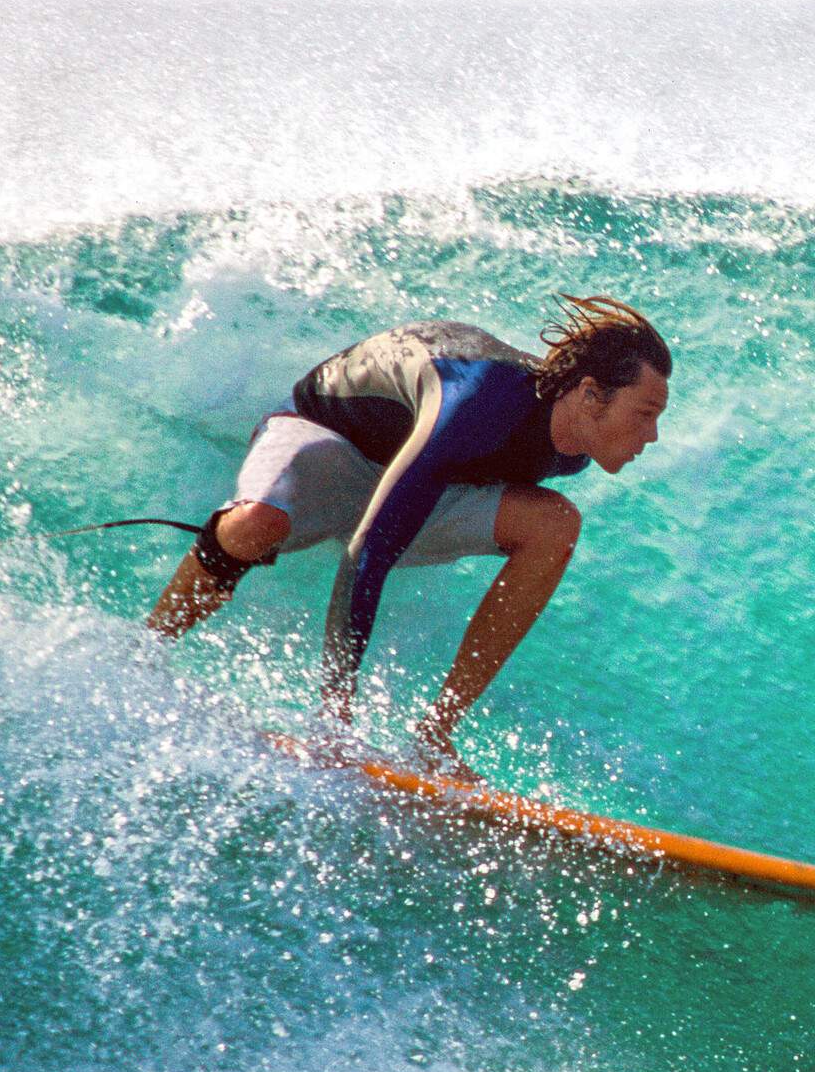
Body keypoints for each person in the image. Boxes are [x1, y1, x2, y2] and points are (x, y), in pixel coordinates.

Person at [147, 295, 671, 776]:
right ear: (589, 395)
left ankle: (434, 737)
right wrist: (336, 721)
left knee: (555, 523)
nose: (651, 435)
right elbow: (367, 557)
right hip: (325, 443)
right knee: (260, 521)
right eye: (644, 413)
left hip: (406, 482)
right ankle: (148, 649)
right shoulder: (478, 402)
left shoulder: (571, 452)